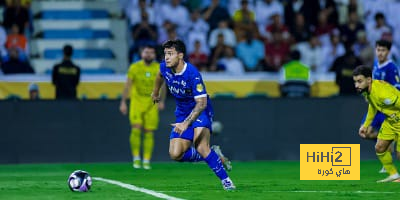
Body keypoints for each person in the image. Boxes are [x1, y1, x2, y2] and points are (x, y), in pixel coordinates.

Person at [151, 39, 235, 190]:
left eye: (170, 54)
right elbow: (159, 76)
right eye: (165, 54)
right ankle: (214, 155)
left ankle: (226, 181)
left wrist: (186, 123)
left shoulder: (192, 74)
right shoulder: (165, 67)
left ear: (180, 55)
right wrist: (155, 92)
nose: (166, 58)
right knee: (175, 154)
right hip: (182, 113)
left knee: (201, 147)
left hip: (200, 111)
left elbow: (201, 103)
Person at [119, 45, 165, 170]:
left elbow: (163, 86)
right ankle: (136, 158)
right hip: (137, 102)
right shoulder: (134, 67)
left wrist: (161, 101)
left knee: (149, 131)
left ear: (154, 55)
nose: (149, 54)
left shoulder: (159, 68)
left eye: (151, 52)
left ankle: (146, 160)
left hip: (152, 102)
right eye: (146, 52)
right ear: (141, 53)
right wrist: (123, 102)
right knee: (136, 128)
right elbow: (127, 85)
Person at [353, 65, 400, 182]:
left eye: (359, 81)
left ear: (368, 80)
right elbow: (372, 107)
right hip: (391, 121)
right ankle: (394, 175)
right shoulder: (368, 91)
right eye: (355, 82)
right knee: (379, 147)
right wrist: (365, 125)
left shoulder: (384, 95)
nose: (356, 85)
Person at [359, 40, 400, 173]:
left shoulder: (391, 67)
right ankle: (391, 142)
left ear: (388, 52)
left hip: (387, 108)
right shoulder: (376, 65)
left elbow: (397, 88)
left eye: (383, 50)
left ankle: (387, 157)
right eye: (378, 50)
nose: (380, 53)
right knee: (367, 132)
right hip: (375, 106)